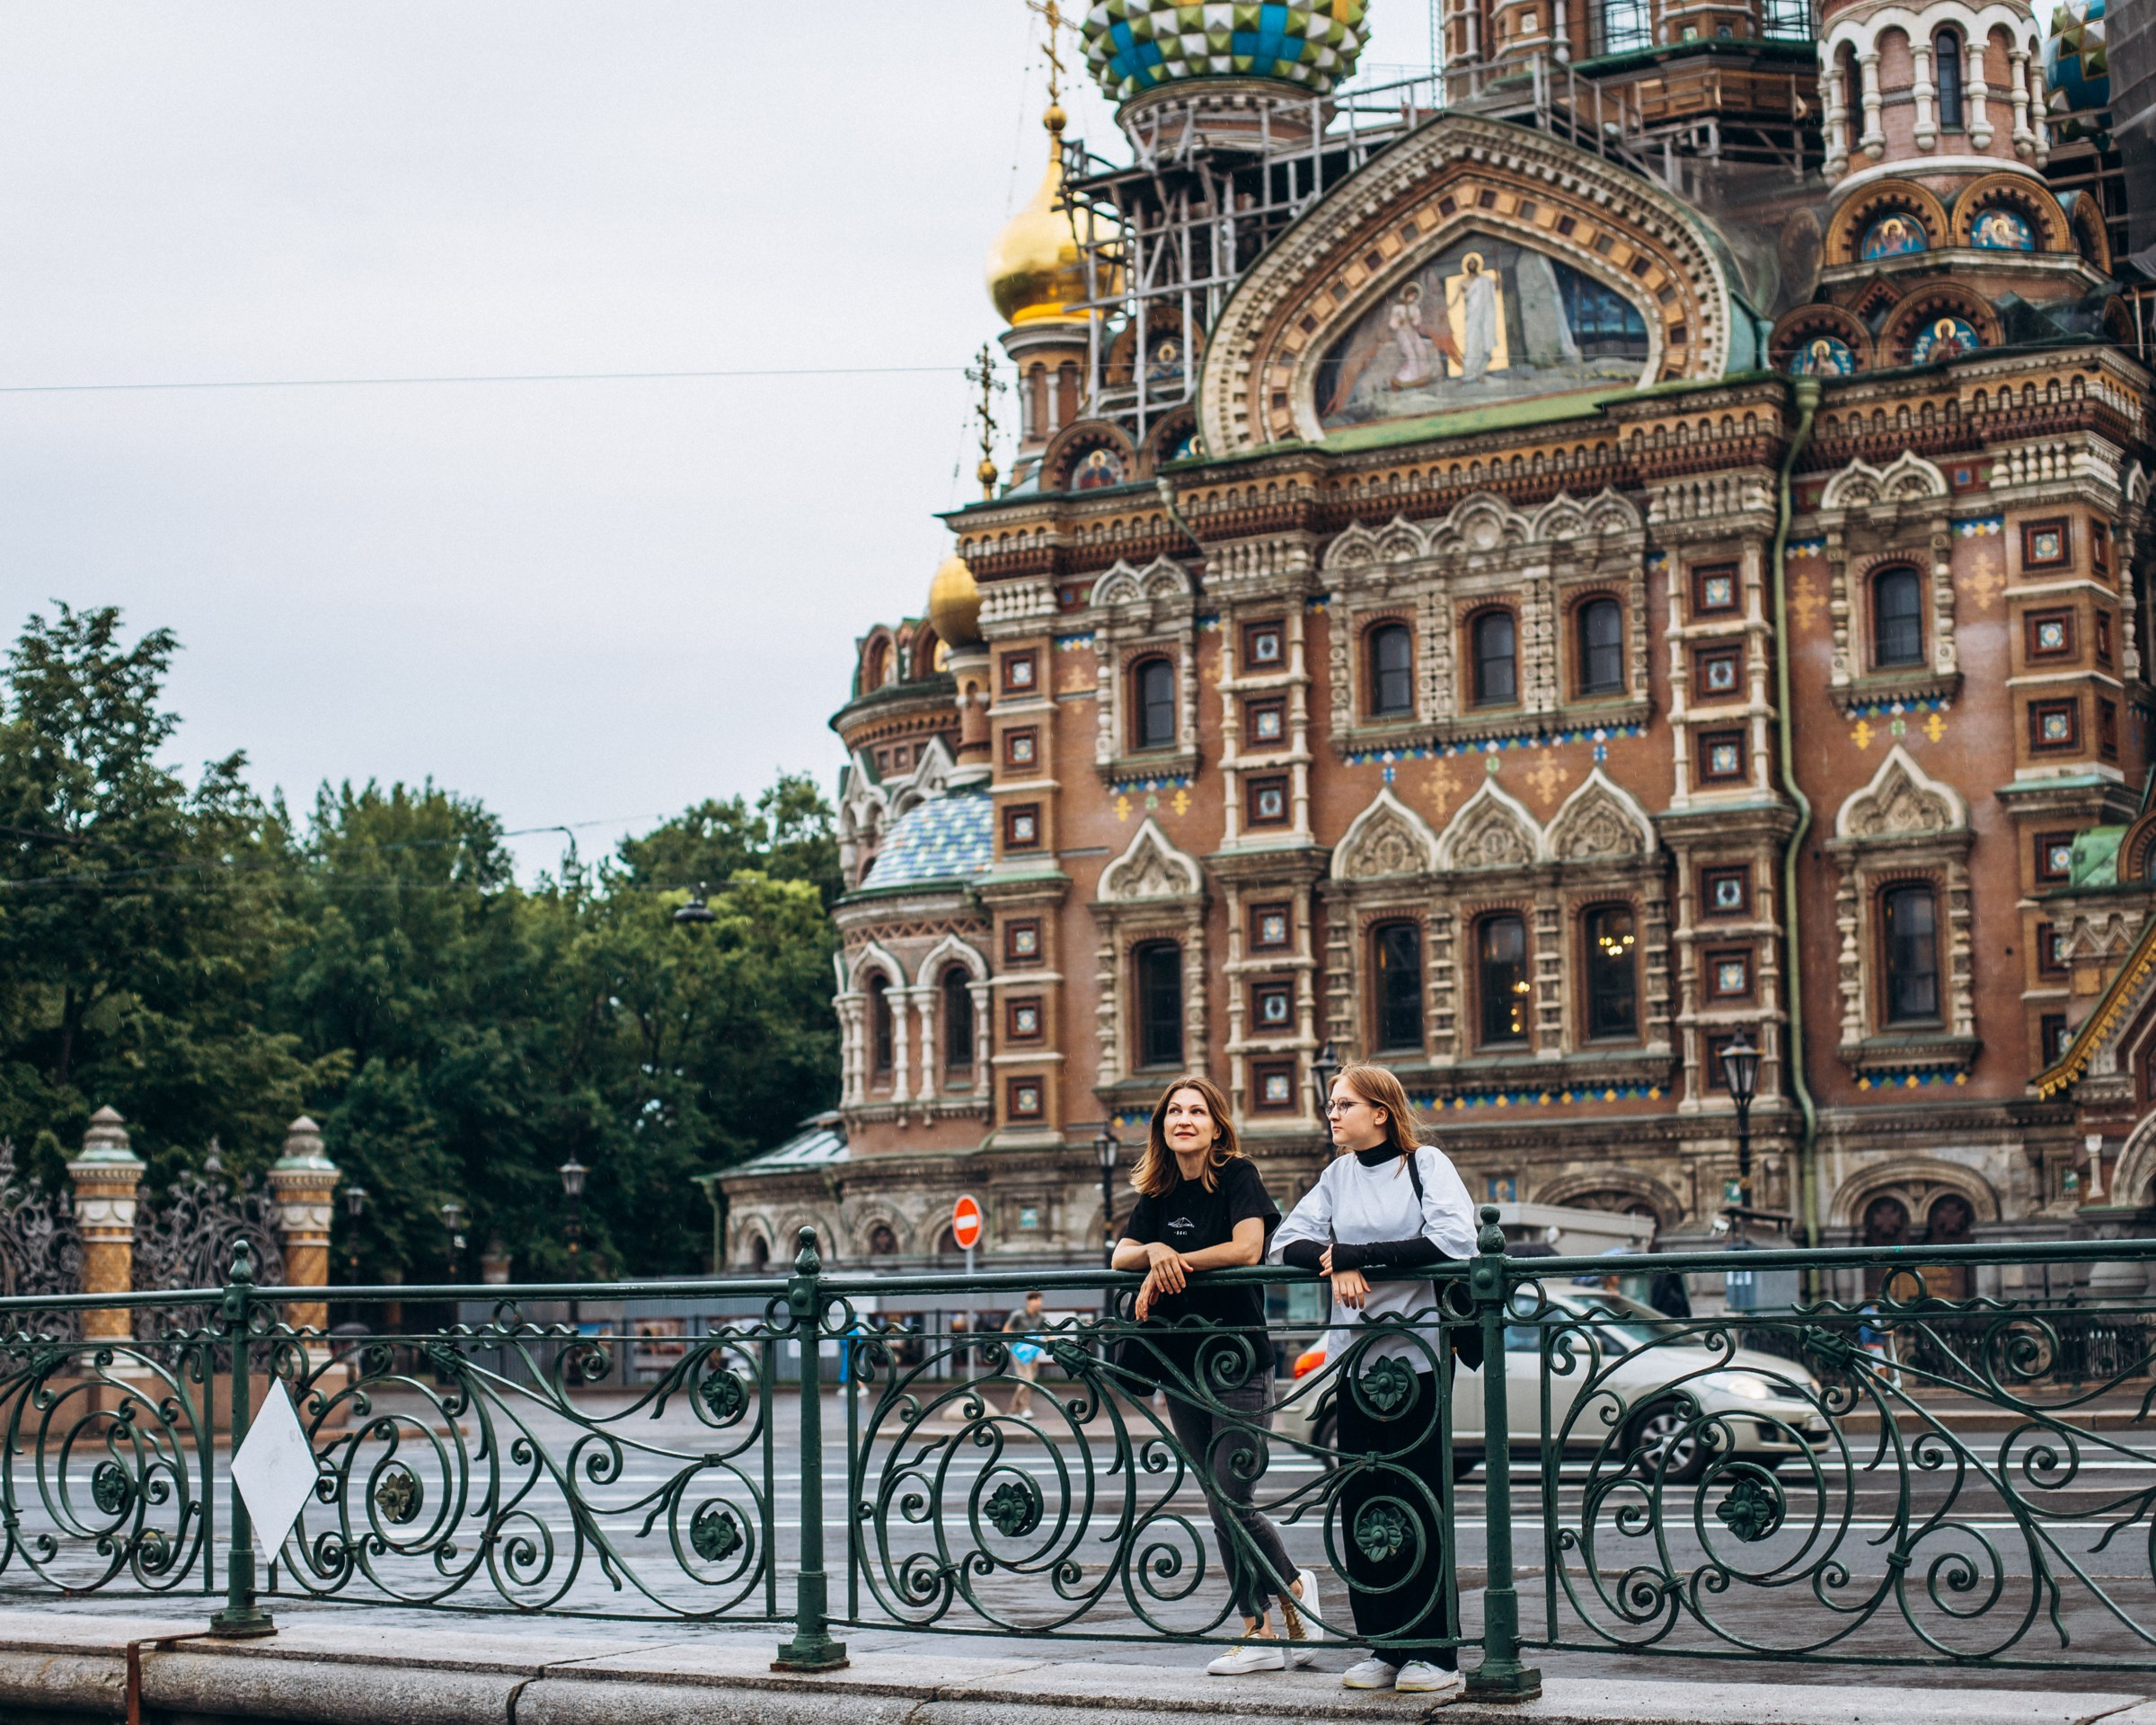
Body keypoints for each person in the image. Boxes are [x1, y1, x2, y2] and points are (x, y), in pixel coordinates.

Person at [1269, 1064, 1477, 1698]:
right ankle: (1382, 1645)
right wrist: (1335, 1265)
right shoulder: (1336, 1176)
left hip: (1414, 1365)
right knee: (1363, 1503)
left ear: (1380, 1112)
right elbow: (1284, 1244)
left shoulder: (1425, 1165)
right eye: (1330, 1105)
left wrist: (1358, 1258)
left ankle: (1435, 1652)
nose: (1331, 1114)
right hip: (1354, 1367)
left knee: (1418, 1500)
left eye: (1343, 1104)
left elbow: (1454, 1242)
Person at [1113, 1075, 1318, 1676]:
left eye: (1196, 1111)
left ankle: (1292, 1587)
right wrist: (1154, 1254)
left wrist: (1176, 1261)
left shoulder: (1237, 1176)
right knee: (1215, 1497)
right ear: (1163, 1126)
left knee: (1233, 1497)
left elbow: (1247, 1248)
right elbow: (1120, 1254)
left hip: (1238, 1362)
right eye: (1174, 1111)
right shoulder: (1159, 1188)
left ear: (1215, 1123)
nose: (1184, 1120)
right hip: (1183, 1366)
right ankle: (1256, 1628)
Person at [1003, 1291, 1047, 1417]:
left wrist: (1052, 1344)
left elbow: (1047, 1331)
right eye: (1036, 1300)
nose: (1039, 1303)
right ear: (1029, 1301)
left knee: (1028, 1380)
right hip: (1020, 1352)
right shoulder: (1018, 1315)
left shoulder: (1040, 1317)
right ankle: (1024, 1408)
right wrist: (1012, 1345)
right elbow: (1006, 1329)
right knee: (1027, 1379)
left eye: (1040, 1300)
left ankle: (1014, 1409)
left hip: (1032, 1352)